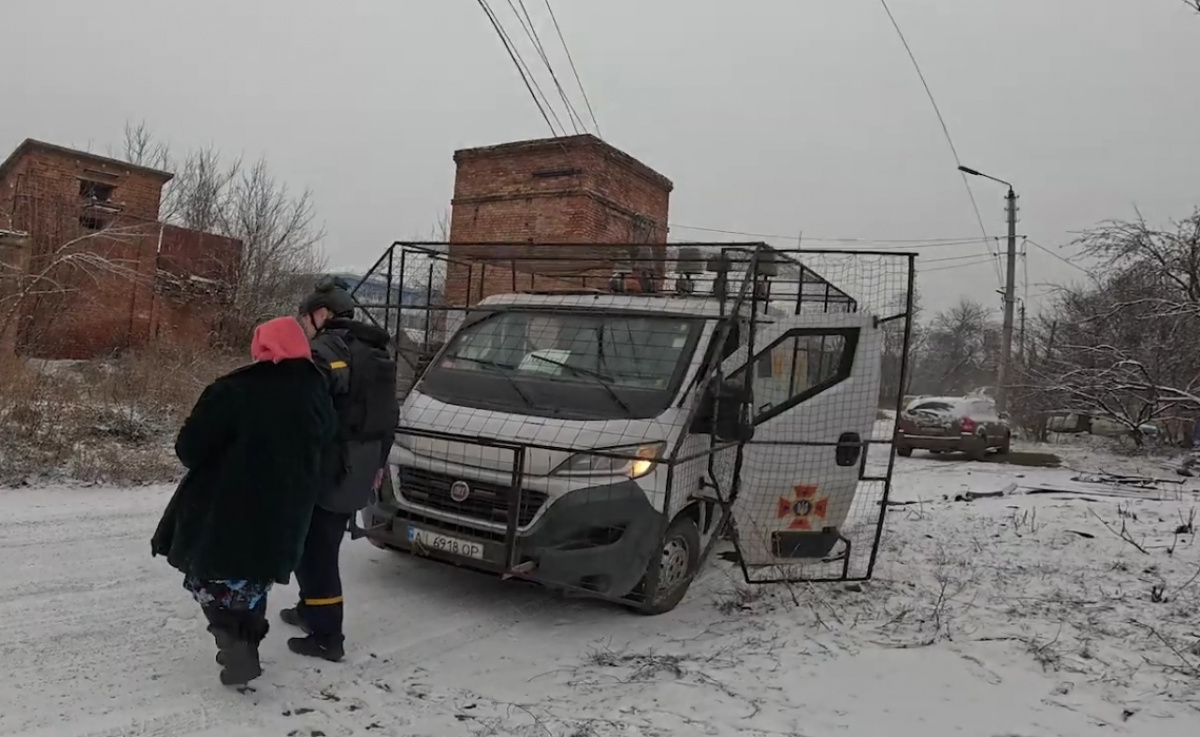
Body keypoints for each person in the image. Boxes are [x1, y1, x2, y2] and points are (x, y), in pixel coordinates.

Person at [151, 317, 335, 686]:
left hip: (228, 508)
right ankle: (245, 645)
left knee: (209, 582)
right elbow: (327, 437)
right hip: (286, 509)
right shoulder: (316, 389)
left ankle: (236, 645)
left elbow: (190, 449)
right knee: (253, 581)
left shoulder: (235, 389)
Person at [282, 276, 398, 662]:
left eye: (304, 317)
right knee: (314, 544)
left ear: (320, 314)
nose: (301, 324)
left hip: (327, 467)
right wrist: (378, 463)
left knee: (316, 551)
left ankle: (327, 637)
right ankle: (309, 609)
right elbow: (389, 415)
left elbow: (304, 411)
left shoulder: (325, 349)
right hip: (360, 466)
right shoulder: (376, 352)